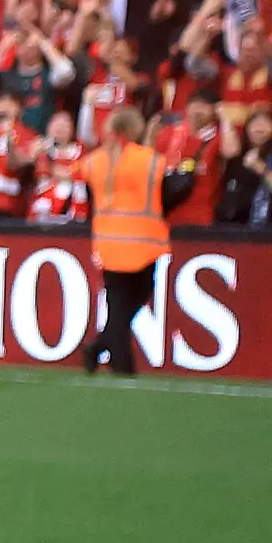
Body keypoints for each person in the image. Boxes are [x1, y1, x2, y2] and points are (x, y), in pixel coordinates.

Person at [82, 101, 192, 373]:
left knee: (117, 302)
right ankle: (112, 358)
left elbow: (90, 199)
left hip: (108, 241)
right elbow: (167, 194)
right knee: (134, 298)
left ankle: (110, 354)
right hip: (143, 241)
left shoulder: (95, 161)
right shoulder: (150, 160)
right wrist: (188, 178)